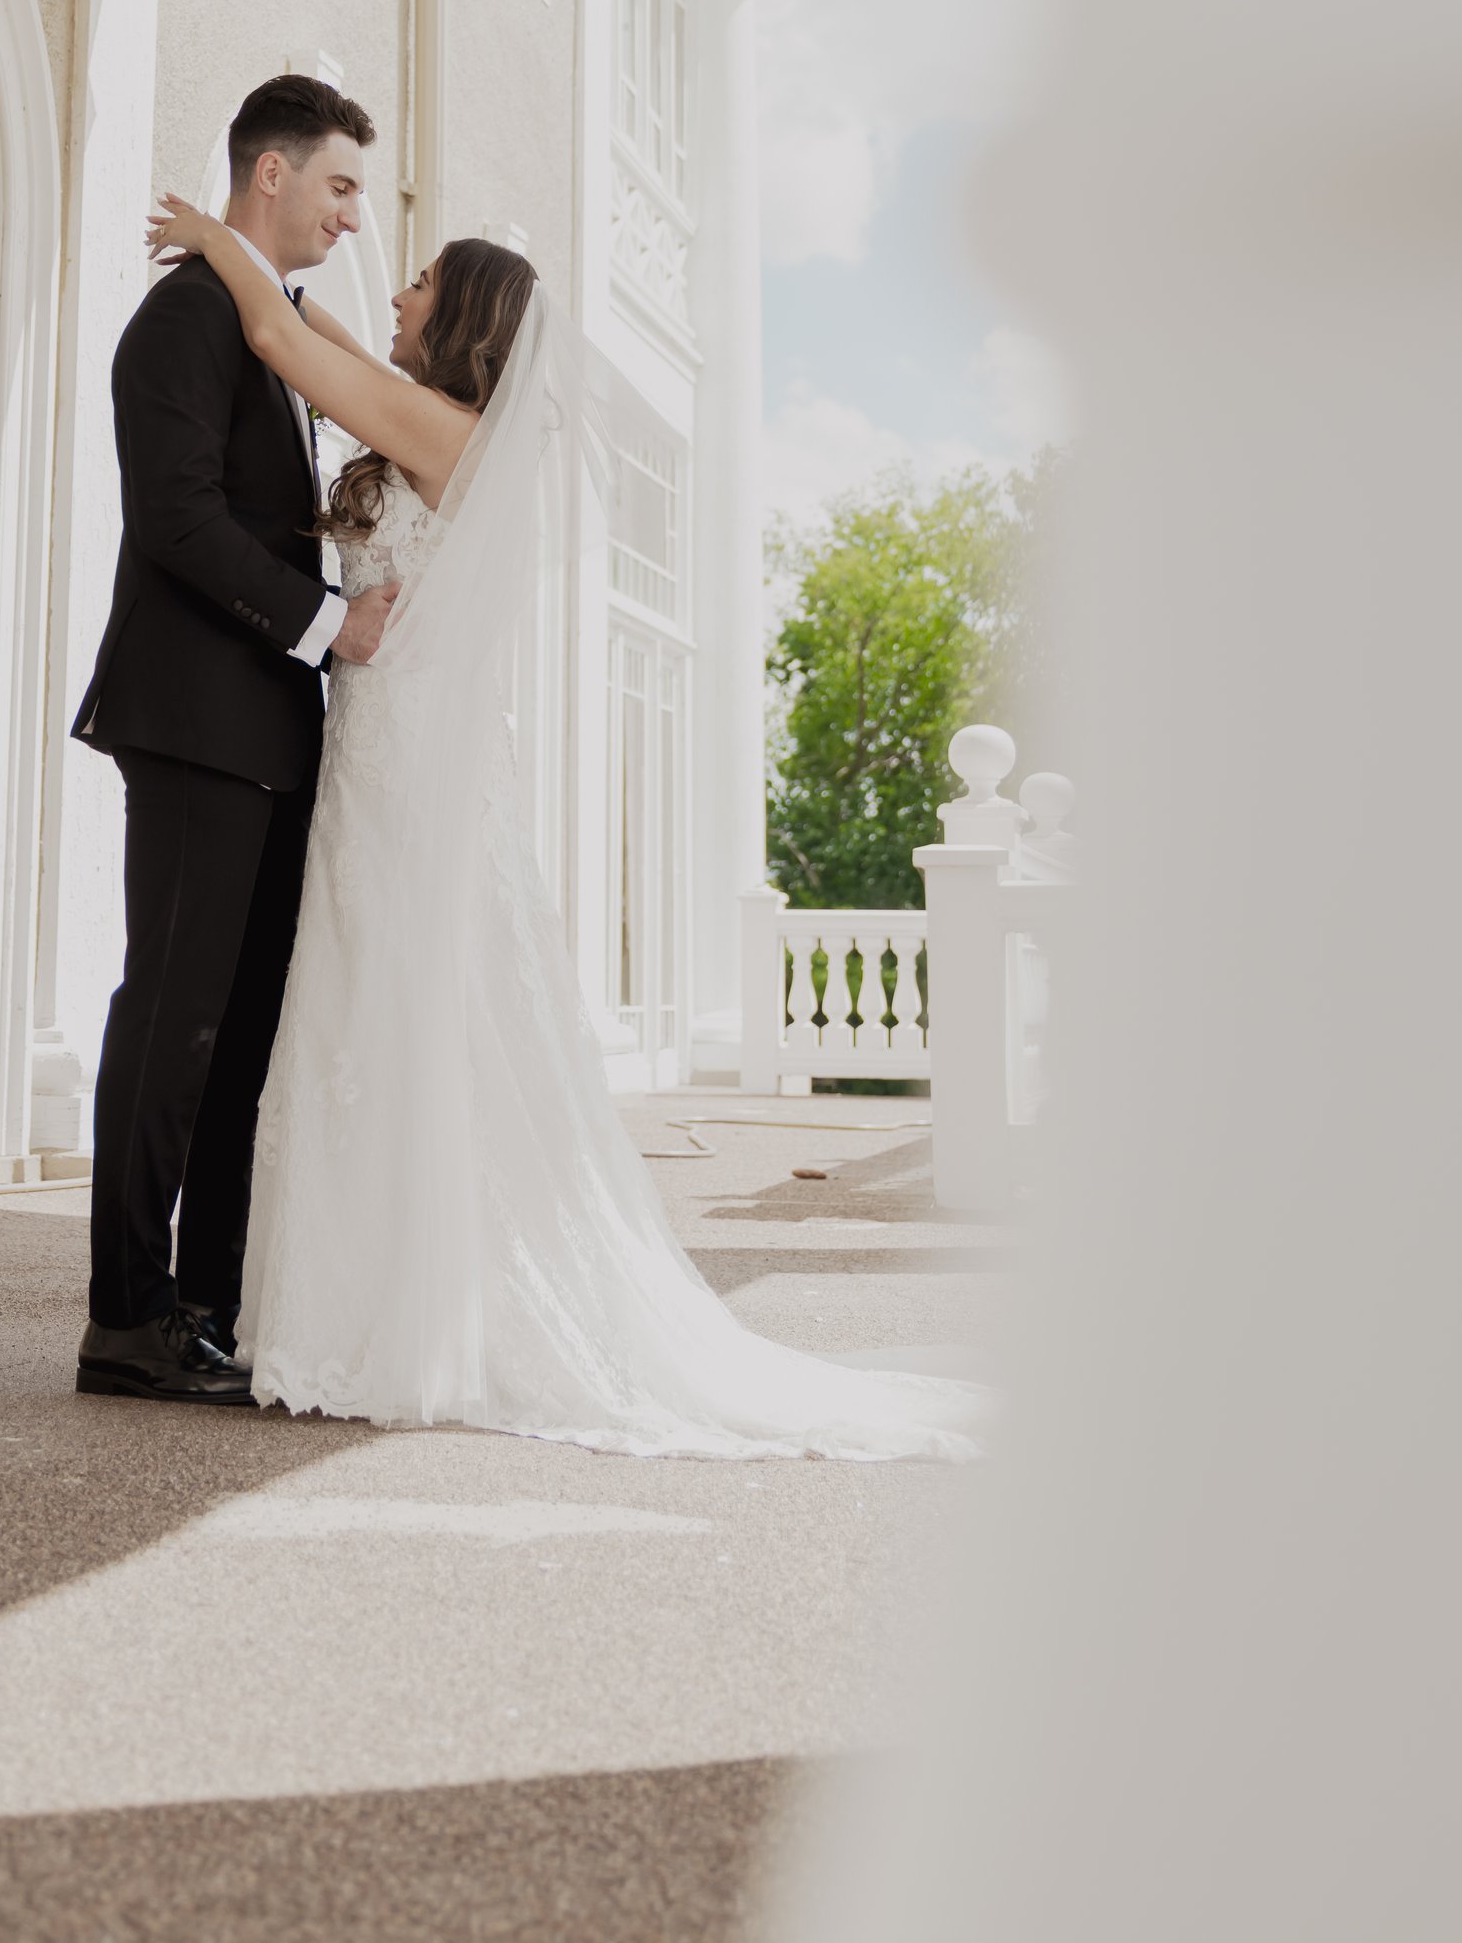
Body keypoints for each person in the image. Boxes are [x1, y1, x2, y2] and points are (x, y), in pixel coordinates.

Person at [142, 190, 986, 1461]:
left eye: (421, 277)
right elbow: (319, 356)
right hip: (379, 752)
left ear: (466, 316)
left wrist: (221, 239)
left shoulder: (445, 429)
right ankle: (356, 1296)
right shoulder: (433, 416)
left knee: (416, 1009)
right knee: (367, 1006)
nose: (402, 287)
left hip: (413, 764)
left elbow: (282, 344)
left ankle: (409, 1313)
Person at [70, 76, 400, 1404]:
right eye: (338, 185)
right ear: (269, 174)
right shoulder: (185, 319)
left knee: (242, 1031)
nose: (353, 213)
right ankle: (126, 1317)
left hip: (270, 731)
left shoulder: (258, 315)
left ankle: (204, 1304)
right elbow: (178, 522)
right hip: (199, 725)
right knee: (173, 1019)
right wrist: (333, 626)